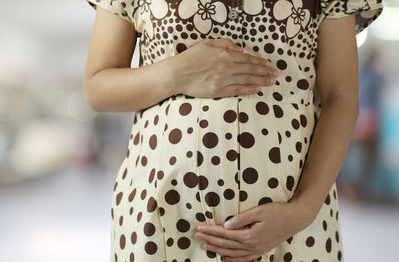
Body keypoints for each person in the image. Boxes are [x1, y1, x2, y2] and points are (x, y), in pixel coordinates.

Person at [83, 0, 383, 261]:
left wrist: (302, 211)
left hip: (293, 224)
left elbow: (341, 98)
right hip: (162, 217)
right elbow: (97, 88)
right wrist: (176, 73)